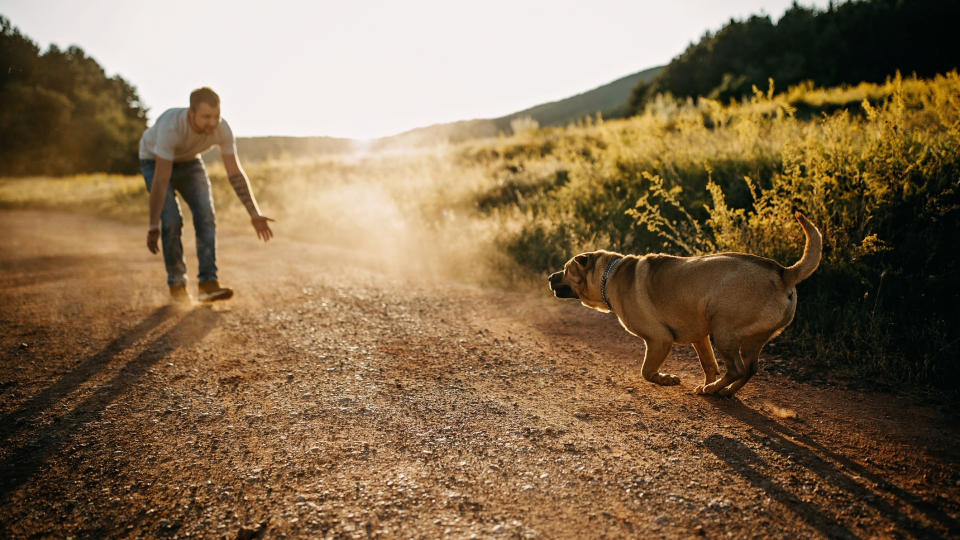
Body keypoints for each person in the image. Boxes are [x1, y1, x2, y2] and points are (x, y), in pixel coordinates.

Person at [140, 87, 274, 304]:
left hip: (190, 162)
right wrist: (153, 225)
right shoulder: (171, 127)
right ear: (190, 113)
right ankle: (177, 285)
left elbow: (235, 172)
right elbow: (162, 180)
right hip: (154, 161)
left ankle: (207, 284)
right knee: (172, 220)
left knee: (206, 215)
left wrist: (254, 213)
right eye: (205, 117)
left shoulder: (222, 129)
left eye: (216, 116)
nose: (212, 123)